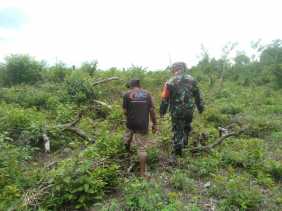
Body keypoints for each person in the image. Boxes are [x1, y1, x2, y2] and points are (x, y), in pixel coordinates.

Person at [160, 62, 204, 161]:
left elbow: (165, 99)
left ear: (174, 69)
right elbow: (198, 96)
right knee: (187, 126)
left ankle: (177, 152)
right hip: (189, 110)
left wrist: (162, 112)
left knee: (177, 129)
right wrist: (200, 108)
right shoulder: (192, 80)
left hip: (177, 111)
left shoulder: (170, 82)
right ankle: (185, 142)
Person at [123, 79, 158, 178]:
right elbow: (152, 111)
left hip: (130, 123)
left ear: (131, 85)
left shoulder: (126, 94)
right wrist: (155, 124)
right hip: (142, 124)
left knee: (128, 137)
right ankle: (142, 173)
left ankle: (127, 151)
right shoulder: (147, 94)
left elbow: (125, 111)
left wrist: (131, 115)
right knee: (141, 149)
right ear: (139, 85)